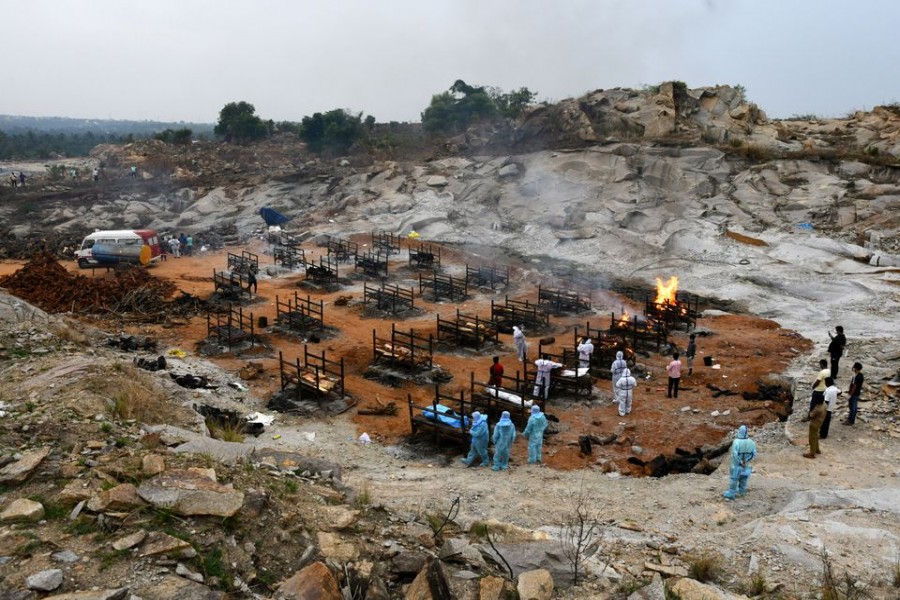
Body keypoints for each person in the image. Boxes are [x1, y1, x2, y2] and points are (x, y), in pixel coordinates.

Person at [722, 425, 757, 500]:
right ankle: (742, 491)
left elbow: (734, 454)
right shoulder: (751, 442)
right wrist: (746, 460)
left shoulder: (736, 441)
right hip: (746, 464)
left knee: (734, 479)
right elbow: (753, 454)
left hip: (736, 464)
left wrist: (740, 462)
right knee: (743, 478)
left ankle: (731, 493)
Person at [803, 385, 827, 459]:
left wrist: (806, 418)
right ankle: (817, 449)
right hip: (820, 422)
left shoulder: (817, 408)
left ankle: (812, 453)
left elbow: (811, 415)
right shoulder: (824, 404)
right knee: (815, 436)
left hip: (814, 424)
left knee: (812, 438)